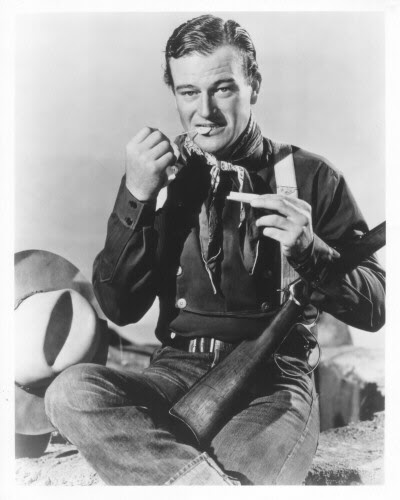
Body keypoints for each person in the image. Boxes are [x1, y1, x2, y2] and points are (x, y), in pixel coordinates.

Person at [44, 14, 385, 485]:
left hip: (274, 383)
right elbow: (120, 308)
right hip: (173, 371)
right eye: (188, 92)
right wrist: (136, 196)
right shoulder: (157, 178)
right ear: (174, 93)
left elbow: (376, 309)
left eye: (222, 89)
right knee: (70, 392)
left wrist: (312, 251)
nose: (204, 111)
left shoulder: (312, 177)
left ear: (254, 85)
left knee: (245, 471)